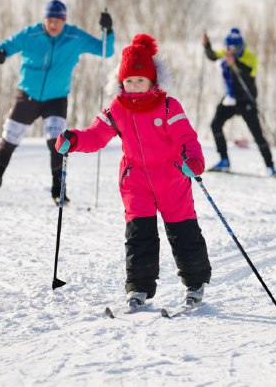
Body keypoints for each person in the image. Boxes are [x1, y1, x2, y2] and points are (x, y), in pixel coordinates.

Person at [55, 34, 212, 308]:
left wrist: (193, 160)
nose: (135, 87)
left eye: (140, 80)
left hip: (172, 178)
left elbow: (186, 138)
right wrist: (75, 140)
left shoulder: (167, 106)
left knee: (183, 231)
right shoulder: (118, 109)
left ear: (153, 80)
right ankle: (138, 288)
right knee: (139, 235)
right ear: (121, 83)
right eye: (129, 81)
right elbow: (96, 135)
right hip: (135, 180)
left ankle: (195, 283)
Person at [0, 0, 115, 202]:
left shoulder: (74, 36)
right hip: (27, 96)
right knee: (9, 138)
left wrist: (108, 31)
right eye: (49, 20)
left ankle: (58, 188)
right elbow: (6, 45)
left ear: (64, 20)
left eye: (58, 20)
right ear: (44, 19)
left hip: (56, 99)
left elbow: (105, 50)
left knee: (57, 141)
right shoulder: (31, 34)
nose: (53, 24)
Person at [202, 28, 276, 177]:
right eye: (227, 47)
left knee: (257, 134)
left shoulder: (250, 57)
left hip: (246, 100)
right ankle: (224, 160)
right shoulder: (227, 53)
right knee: (215, 124)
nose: (229, 50)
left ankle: (270, 166)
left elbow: (249, 73)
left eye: (232, 48)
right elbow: (212, 56)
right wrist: (206, 45)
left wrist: (235, 63)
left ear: (240, 46)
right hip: (230, 99)